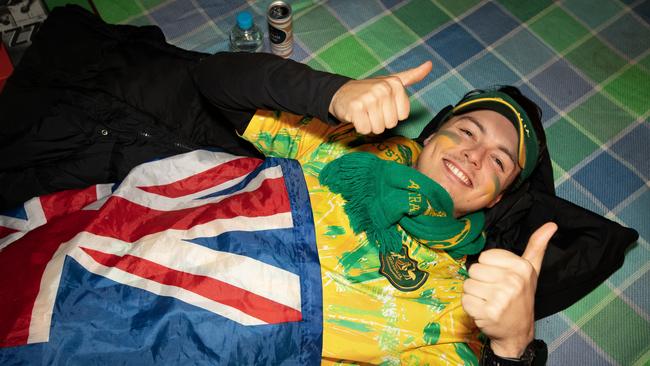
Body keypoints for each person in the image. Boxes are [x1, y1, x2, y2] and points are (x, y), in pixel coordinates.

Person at [193, 52, 556, 365]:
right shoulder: (343, 143)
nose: (473, 156)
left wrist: (511, 349)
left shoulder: (455, 306)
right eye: (467, 131)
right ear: (430, 135)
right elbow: (211, 79)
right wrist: (330, 92)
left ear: (496, 200)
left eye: (498, 161)